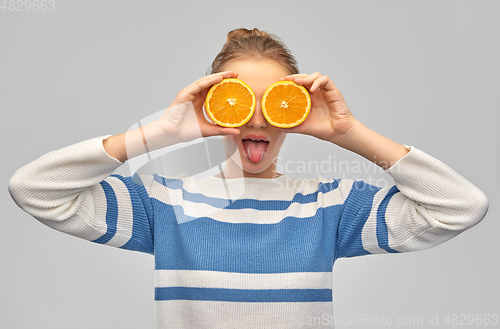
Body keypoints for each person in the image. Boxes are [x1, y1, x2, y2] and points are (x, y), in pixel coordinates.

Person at [8, 28, 489, 328]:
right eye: (240, 102)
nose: (257, 120)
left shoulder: (330, 207)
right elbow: (34, 189)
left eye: (274, 103)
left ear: (296, 109)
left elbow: (461, 206)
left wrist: (349, 133)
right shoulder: (167, 203)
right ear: (213, 107)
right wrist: (157, 132)